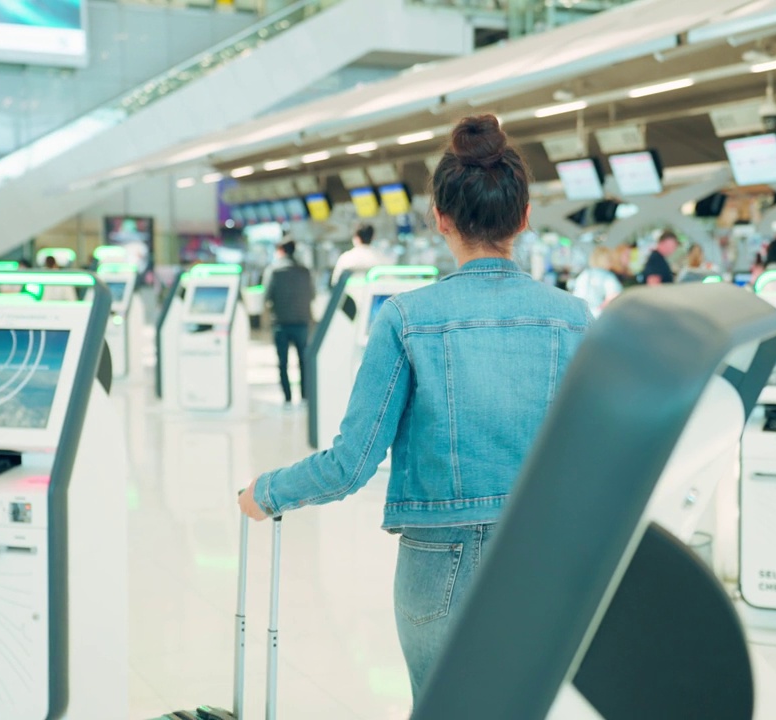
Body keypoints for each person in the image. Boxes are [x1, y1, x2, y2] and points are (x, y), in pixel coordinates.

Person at [239, 114, 592, 702]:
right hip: (543, 556)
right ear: (524, 218)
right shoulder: (575, 318)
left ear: (440, 219)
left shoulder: (405, 319)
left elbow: (351, 464)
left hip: (438, 563)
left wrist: (266, 492)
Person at [264, 240, 314, 404]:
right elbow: (312, 294)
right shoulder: (305, 271)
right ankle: (305, 396)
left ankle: (287, 397)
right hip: (302, 321)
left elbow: (267, 296)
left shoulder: (274, 270)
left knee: (283, 362)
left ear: (281, 250)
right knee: (304, 361)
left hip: (281, 322)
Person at [572, 245, 623, 317]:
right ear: (607, 260)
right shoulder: (607, 276)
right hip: (598, 317)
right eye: (610, 259)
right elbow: (614, 296)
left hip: (580, 316)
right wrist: (600, 309)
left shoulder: (584, 275)